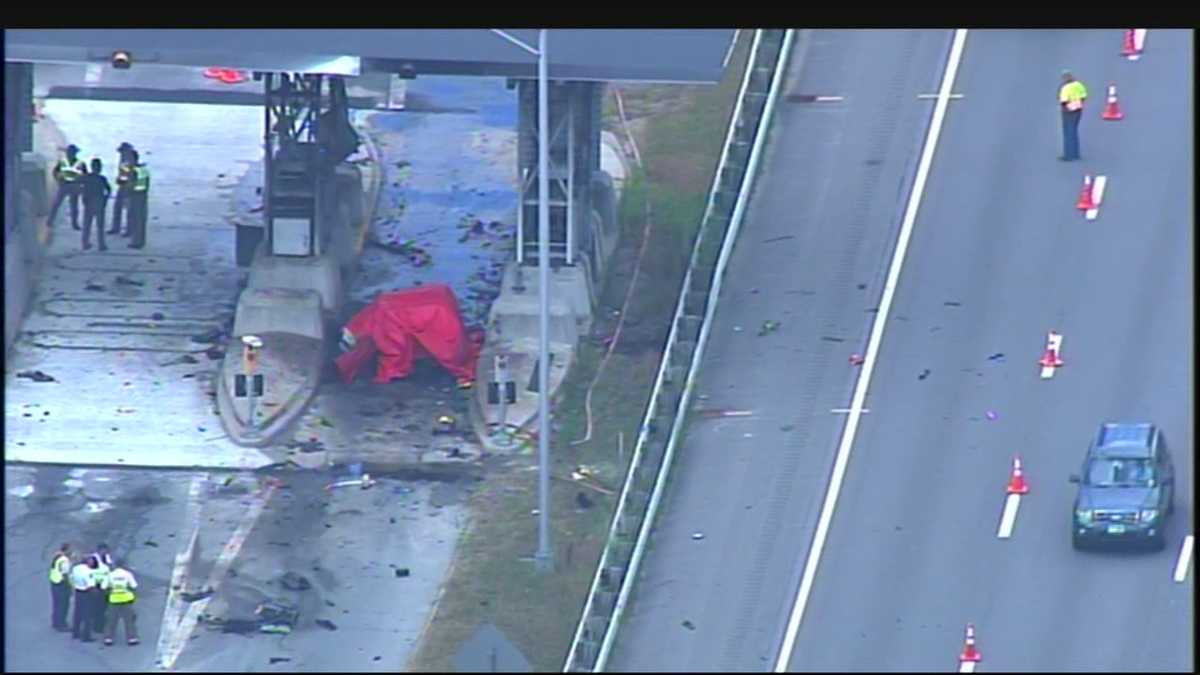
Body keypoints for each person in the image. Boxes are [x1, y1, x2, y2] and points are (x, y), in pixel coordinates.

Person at [48, 144, 87, 230]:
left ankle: (51, 221)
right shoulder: (65, 162)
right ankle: (51, 221)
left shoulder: (65, 162)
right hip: (67, 185)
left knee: (69, 205)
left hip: (70, 186)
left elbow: (85, 176)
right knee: (59, 204)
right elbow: (55, 172)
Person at [101, 559, 139, 646]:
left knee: (111, 620)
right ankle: (131, 638)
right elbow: (134, 586)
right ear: (123, 564)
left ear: (115, 565)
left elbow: (104, 587)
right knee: (129, 620)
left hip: (114, 599)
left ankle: (108, 638)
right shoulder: (127, 574)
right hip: (126, 599)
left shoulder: (110, 575)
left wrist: (110, 591)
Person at [81, 158, 112, 251]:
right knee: (100, 225)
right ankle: (101, 244)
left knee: (87, 224)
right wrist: (105, 200)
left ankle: (85, 243)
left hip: (89, 202)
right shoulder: (102, 179)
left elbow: (78, 183)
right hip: (99, 202)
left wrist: (84, 197)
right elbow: (108, 190)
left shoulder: (87, 177)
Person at [1059, 71, 1088, 161]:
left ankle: (1068, 155)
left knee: (1068, 133)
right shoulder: (1079, 85)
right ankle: (1076, 154)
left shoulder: (1065, 88)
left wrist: (1067, 107)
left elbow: (1063, 101)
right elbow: (1084, 96)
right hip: (1078, 110)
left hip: (1068, 111)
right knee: (1074, 131)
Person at [110, 143, 136, 236]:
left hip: (127, 186)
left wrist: (121, 181)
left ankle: (127, 230)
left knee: (127, 208)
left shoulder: (128, 160)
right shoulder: (126, 159)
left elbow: (127, 174)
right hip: (124, 185)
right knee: (119, 207)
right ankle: (118, 228)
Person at [70, 555, 98, 641]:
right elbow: (90, 586)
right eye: (92, 561)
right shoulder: (89, 572)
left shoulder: (76, 568)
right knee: (87, 615)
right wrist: (96, 594)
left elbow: (71, 577)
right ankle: (86, 636)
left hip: (78, 592)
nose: (93, 562)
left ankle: (75, 633)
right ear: (88, 562)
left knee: (77, 613)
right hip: (86, 594)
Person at [127, 150, 151, 249]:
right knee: (141, 219)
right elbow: (147, 183)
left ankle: (136, 242)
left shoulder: (133, 170)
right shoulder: (144, 169)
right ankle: (140, 240)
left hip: (135, 196)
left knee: (135, 219)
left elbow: (130, 184)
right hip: (143, 196)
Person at [49, 543, 73, 632]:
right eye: (70, 550)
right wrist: (70, 586)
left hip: (54, 583)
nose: (71, 551)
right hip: (62, 584)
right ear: (67, 550)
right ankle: (61, 625)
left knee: (56, 604)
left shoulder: (57, 556)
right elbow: (65, 575)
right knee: (63, 605)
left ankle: (55, 622)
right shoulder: (65, 560)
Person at [91, 544, 114, 633]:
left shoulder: (106, 557)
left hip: (105, 586)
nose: (105, 552)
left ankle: (102, 623)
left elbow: (110, 567)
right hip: (97, 585)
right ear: (99, 550)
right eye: (104, 551)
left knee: (104, 606)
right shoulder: (93, 559)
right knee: (97, 607)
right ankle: (97, 626)